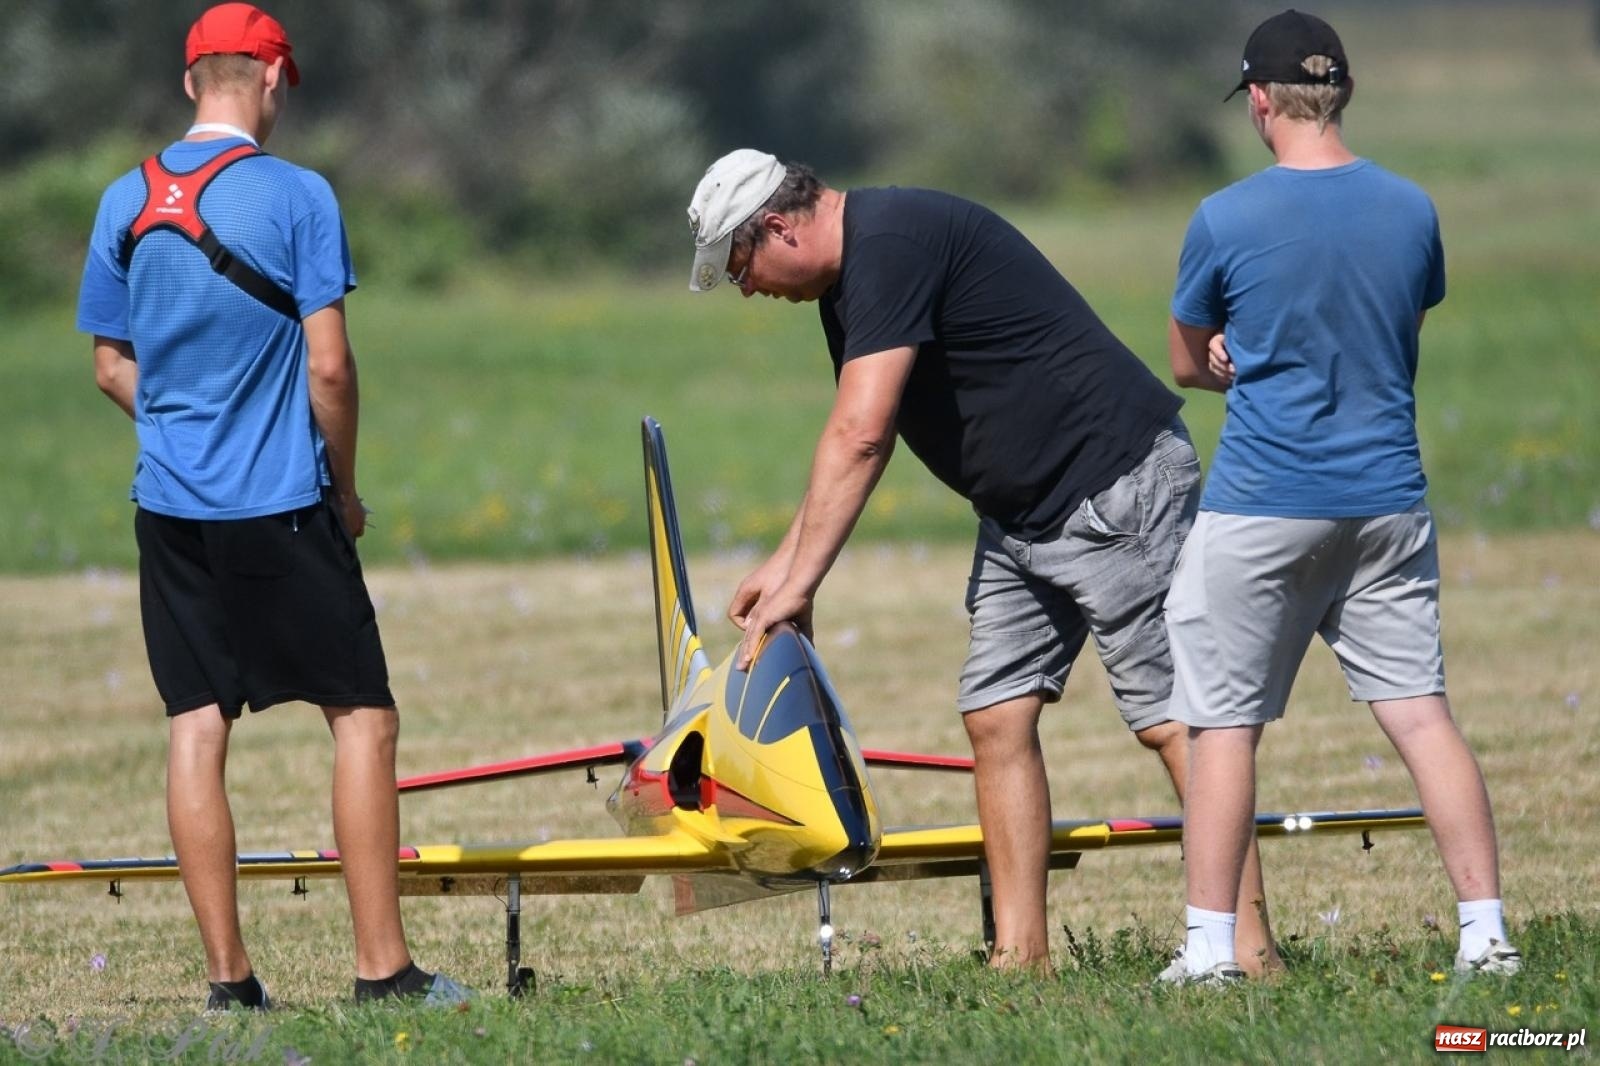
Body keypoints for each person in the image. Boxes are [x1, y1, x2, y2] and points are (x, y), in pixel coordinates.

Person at [684, 150, 1283, 973]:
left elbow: (860, 433)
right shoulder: (851, 281)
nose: (746, 288)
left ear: (780, 227)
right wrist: (785, 559)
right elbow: (868, 429)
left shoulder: (889, 243)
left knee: (1173, 721)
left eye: (740, 266)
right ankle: (1020, 957)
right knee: (996, 715)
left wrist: (803, 583)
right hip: (1020, 514)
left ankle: (1244, 951)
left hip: (1114, 483)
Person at [77, 2, 467, 1009]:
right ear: (276, 80)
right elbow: (330, 369)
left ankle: (230, 988)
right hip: (281, 503)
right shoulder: (297, 195)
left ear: (189, 82)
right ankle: (384, 972)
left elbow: (109, 365)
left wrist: (172, 431)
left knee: (197, 725)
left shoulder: (124, 198)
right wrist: (341, 487)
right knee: (361, 718)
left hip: (168, 508)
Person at [1160, 10, 1519, 983]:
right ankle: (1484, 934)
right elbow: (1394, 314)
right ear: (1343, 92)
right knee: (1418, 713)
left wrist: (1234, 358)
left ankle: (1206, 950)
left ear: (1262, 101)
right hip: (1386, 497)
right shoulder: (1410, 207)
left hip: (1263, 500)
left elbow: (1187, 362)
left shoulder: (1224, 216)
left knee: (1223, 725)